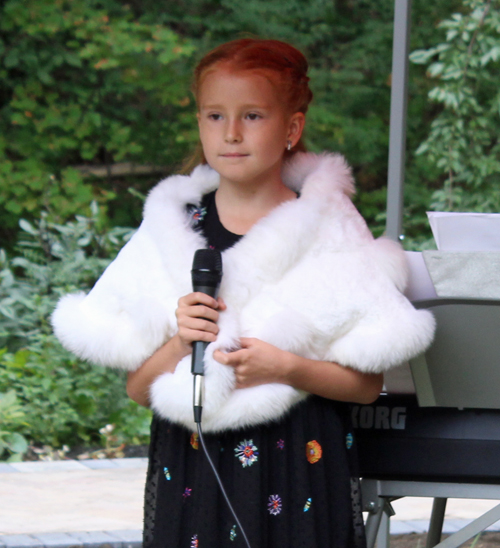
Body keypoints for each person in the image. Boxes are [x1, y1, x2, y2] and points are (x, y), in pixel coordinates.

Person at [52, 38, 435, 548]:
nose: (230, 133)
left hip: (299, 463)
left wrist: (288, 368)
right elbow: (138, 388)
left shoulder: (329, 229)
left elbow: (366, 386)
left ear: (291, 128)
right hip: (193, 472)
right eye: (214, 116)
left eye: (252, 116)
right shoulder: (170, 230)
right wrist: (177, 342)